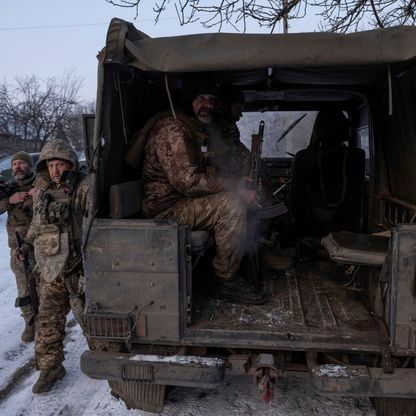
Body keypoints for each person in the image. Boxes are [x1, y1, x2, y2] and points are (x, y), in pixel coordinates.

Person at [140, 80, 265, 305]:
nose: (207, 104)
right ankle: (224, 280)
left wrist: (236, 179)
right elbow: (188, 182)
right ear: (189, 101)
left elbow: (206, 172)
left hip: (182, 201)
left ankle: (237, 263)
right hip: (166, 208)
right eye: (201, 99)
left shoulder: (192, 128)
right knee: (232, 204)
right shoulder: (174, 130)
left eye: (211, 100)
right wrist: (234, 186)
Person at [17, 139, 90, 393]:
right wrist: (25, 247)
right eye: (51, 165)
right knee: (46, 321)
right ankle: (51, 368)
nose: (55, 171)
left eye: (60, 164)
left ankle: (111, 366)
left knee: (91, 322)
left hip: (80, 269)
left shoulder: (84, 187)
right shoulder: (42, 191)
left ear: (70, 164)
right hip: (50, 268)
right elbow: (37, 225)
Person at [0, 151, 36, 342]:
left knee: (45, 284)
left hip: (41, 246)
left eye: (22, 163)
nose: (17, 167)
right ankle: (30, 323)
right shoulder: (8, 188)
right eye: (14, 164)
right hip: (17, 247)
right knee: (23, 286)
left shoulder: (40, 184)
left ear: (30, 165)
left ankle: (48, 321)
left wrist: (34, 196)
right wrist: (9, 201)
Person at [209, 84, 251, 178]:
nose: (240, 114)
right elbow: (230, 156)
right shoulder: (215, 127)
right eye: (238, 107)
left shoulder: (229, 127)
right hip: (222, 179)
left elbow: (238, 149)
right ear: (226, 105)